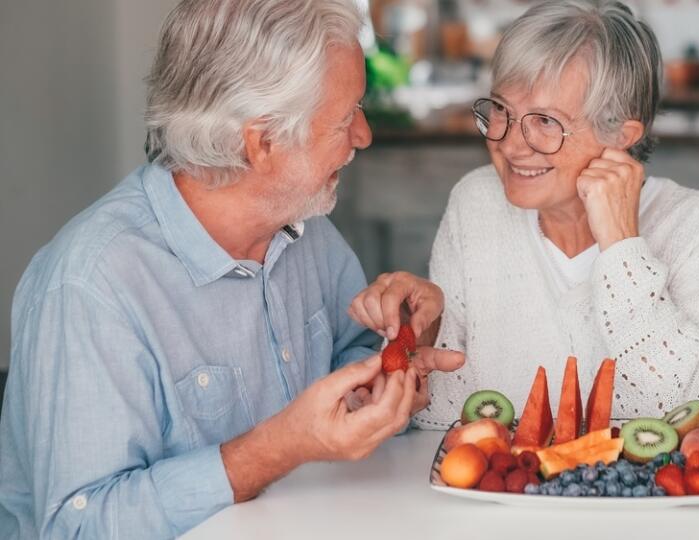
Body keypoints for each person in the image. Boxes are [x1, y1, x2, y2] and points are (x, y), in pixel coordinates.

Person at [0, 1, 461, 538]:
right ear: (261, 142)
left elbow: (348, 357)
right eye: (346, 116)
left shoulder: (307, 227)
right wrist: (275, 449)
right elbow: (73, 527)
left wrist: (389, 365)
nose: (364, 136)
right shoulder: (89, 287)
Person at [350, 0, 699, 429]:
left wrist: (622, 247)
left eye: (544, 121)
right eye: (501, 111)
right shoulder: (477, 202)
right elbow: (445, 422)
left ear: (621, 136)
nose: (511, 145)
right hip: (504, 494)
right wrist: (416, 350)